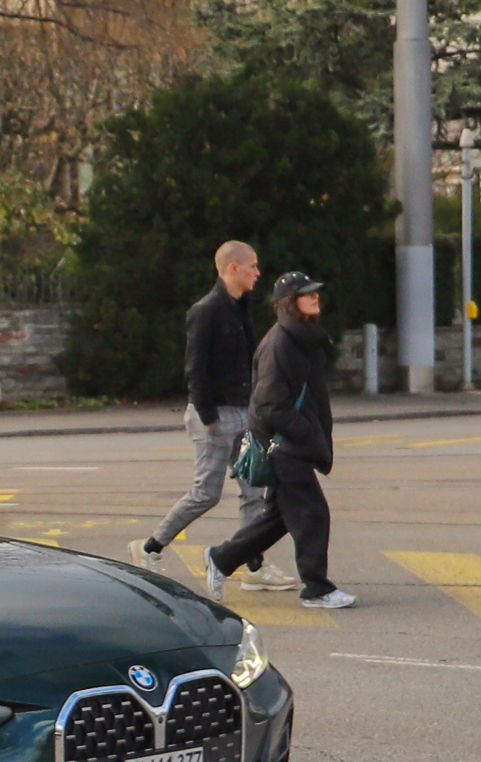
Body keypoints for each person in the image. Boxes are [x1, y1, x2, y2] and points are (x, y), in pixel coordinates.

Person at [137, 241, 292, 590]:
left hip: (244, 412)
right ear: (232, 269)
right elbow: (195, 367)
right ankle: (150, 547)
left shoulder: (242, 308)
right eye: (251, 266)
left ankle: (254, 567)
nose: (258, 273)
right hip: (215, 415)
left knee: (254, 491)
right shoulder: (205, 311)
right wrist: (208, 415)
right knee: (206, 492)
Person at [205, 272, 353, 608]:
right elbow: (270, 403)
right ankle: (318, 589)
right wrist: (305, 432)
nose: (315, 298)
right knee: (313, 515)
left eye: (316, 293)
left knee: (280, 518)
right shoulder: (281, 343)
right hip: (284, 444)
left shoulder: (303, 338)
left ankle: (221, 558)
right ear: (290, 303)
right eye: (306, 294)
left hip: (291, 442)